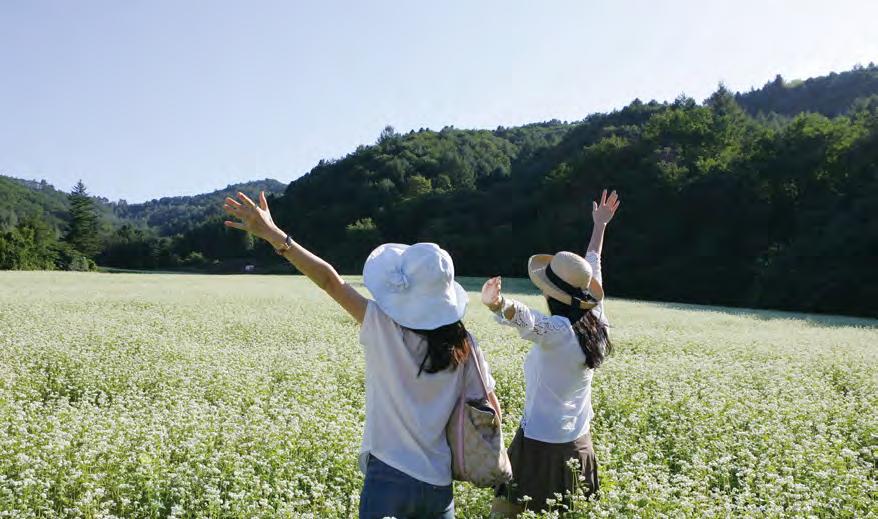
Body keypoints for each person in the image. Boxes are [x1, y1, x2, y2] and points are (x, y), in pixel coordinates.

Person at [222, 191, 499, 519]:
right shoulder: (466, 344)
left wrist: (272, 233)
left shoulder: (383, 325)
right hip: (438, 487)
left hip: (388, 479)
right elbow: (491, 408)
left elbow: (330, 281)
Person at [482, 189, 620, 516]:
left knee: (503, 513)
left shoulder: (558, 331)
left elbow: (528, 320)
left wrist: (498, 303)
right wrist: (599, 225)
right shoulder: (597, 319)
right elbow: (592, 265)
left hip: (539, 444)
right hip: (578, 444)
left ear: (550, 293)